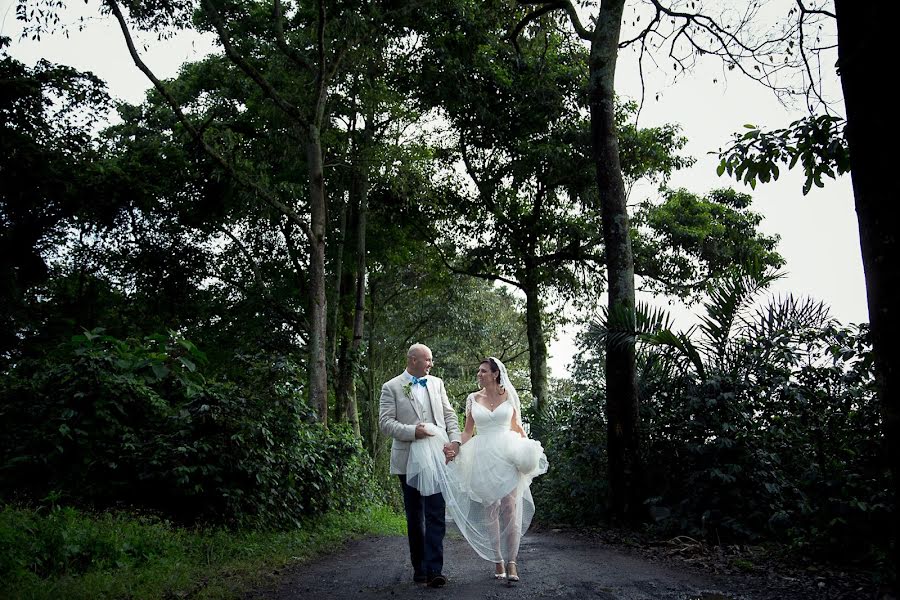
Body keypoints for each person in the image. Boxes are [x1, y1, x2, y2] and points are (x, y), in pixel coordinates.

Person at [406, 356, 548, 584]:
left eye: (483, 371)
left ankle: (512, 562)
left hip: (508, 455)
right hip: (483, 457)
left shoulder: (510, 395)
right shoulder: (472, 399)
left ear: (495, 374)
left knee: (510, 508)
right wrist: (455, 447)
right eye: (478, 372)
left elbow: (517, 426)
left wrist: (528, 450)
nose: (479, 375)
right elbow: (467, 431)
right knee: (491, 510)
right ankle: (498, 559)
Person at [378, 343, 462, 588]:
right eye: (428, 360)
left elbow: (449, 415)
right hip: (407, 460)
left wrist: (455, 442)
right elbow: (386, 424)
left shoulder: (437, 383)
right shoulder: (391, 387)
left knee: (436, 512)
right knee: (415, 515)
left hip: (436, 457)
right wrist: (414, 431)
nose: (431, 364)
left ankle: (435, 569)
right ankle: (420, 568)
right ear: (413, 360)